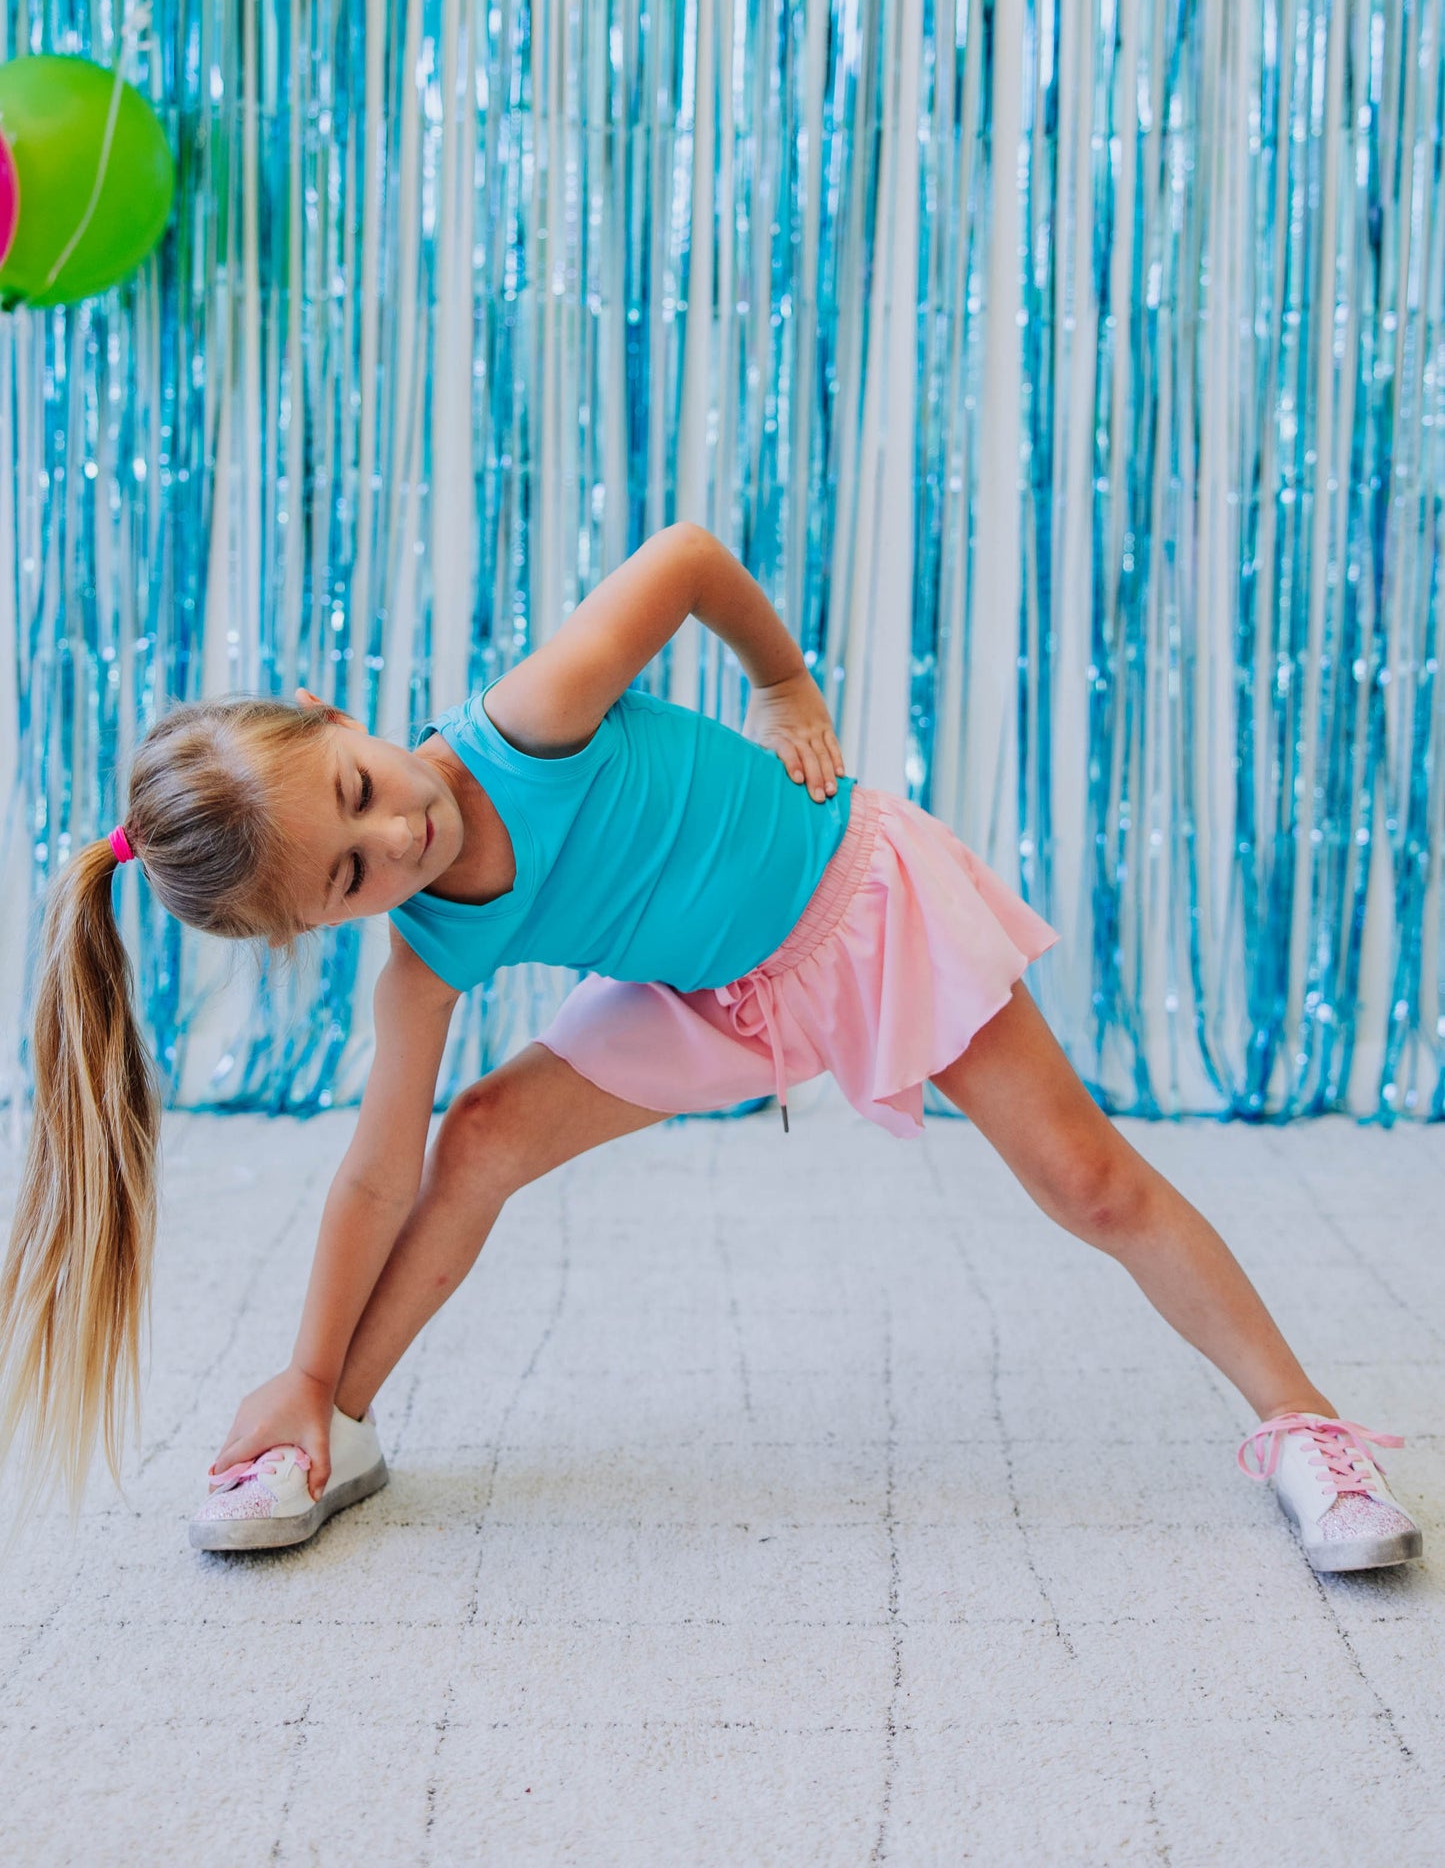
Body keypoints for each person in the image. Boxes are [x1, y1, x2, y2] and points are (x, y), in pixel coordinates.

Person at [0, 522, 1422, 1574]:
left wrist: (786, 685)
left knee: (1086, 1183)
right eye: (351, 874)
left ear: (332, 715)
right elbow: (375, 1175)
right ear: (320, 922)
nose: (399, 838)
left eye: (363, 793)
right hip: (715, 998)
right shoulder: (424, 960)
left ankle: (1304, 1431)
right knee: (479, 1136)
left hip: (856, 906)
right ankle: (335, 1424)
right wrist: (302, 1365)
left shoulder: (528, 721)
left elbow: (682, 556)